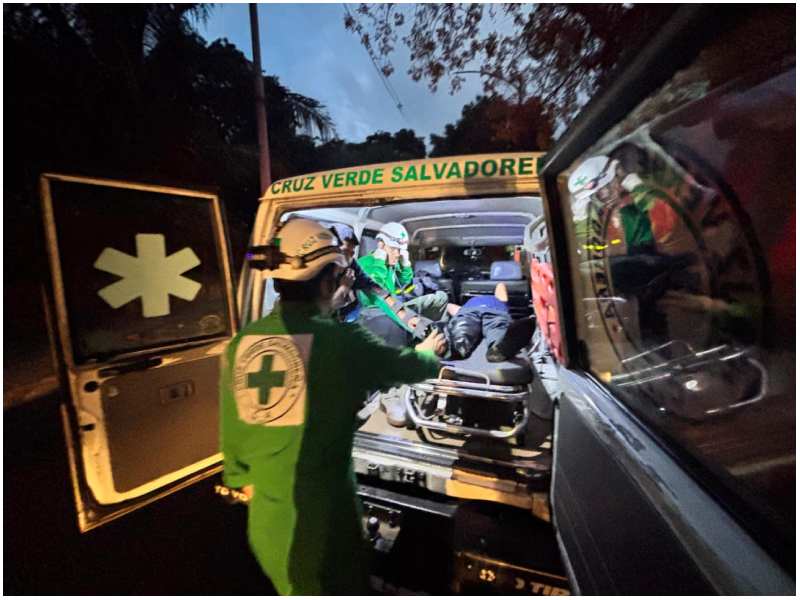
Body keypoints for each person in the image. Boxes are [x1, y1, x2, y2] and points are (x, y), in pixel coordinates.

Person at [219, 218, 446, 595]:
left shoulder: (242, 344)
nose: (347, 285)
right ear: (327, 281)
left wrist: (251, 485)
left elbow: (236, 453)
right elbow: (405, 367)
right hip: (324, 530)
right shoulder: (341, 343)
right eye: (342, 276)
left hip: (267, 527)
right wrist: (429, 353)